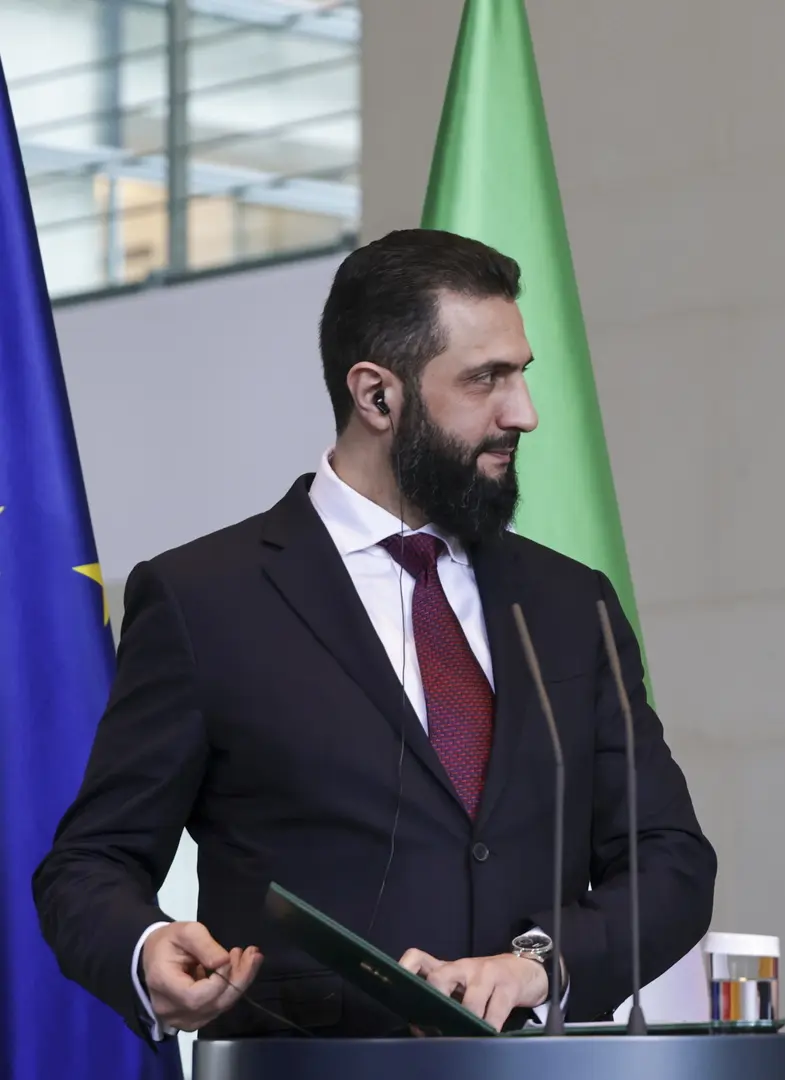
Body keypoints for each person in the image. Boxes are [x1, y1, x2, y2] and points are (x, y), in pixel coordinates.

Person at [34, 229, 716, 1039]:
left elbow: (670, 861)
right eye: (486, 379)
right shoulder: (201, 600)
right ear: (376, 396)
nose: (524, 414)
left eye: (521, 374)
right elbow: (90, 864)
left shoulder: (572, 602)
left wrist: (537, 964)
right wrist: (146, 948)